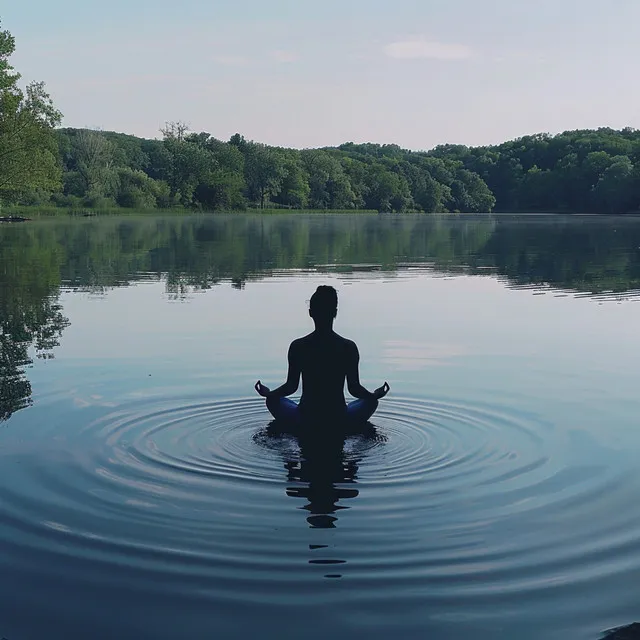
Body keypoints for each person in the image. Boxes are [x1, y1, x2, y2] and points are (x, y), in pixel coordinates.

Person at [255, 285, 390, 428]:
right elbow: (354, 388)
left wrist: (268, 394)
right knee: (371, 402)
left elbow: (291, 387)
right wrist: (374, 395)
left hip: (306, 416)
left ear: (311, 313)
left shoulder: (298, 346)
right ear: (335, 312)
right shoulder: (348, 347)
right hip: (339, 416)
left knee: (272, 400)